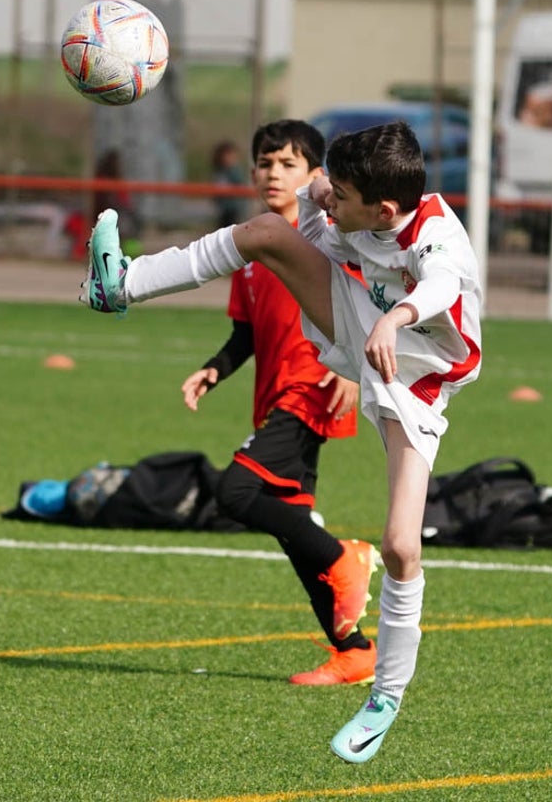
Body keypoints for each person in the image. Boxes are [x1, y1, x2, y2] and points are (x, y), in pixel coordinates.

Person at [82, 121, 482, 763]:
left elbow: (438, 289)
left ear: (382, 209)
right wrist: (325, 190)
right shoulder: (350, 205)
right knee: (268, 232)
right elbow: (324, 203)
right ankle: (120, 284)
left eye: (339, 194)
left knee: (403, 546)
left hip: (420, 379)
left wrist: (399, 316)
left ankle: (384, 698)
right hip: (359, 325)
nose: (324, 200)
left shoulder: (436, 237)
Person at [183, 119, 375, 686]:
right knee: (296, 532)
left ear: (316, 177)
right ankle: (355, 651)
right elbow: (247, 333)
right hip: (274, 398)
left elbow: (370, 298)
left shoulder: (325, 239)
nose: (274, 173)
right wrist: (214, 370)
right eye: (266, 163)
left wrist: (359, 370)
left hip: (313, 387)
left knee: (235, 492)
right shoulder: (248, 248)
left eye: (288, 164)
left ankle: (346, 558)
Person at [210, 140, 250, 228]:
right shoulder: (220, 171)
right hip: (224, 208)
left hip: (233, 209)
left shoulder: (234, 171)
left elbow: (239, 186)